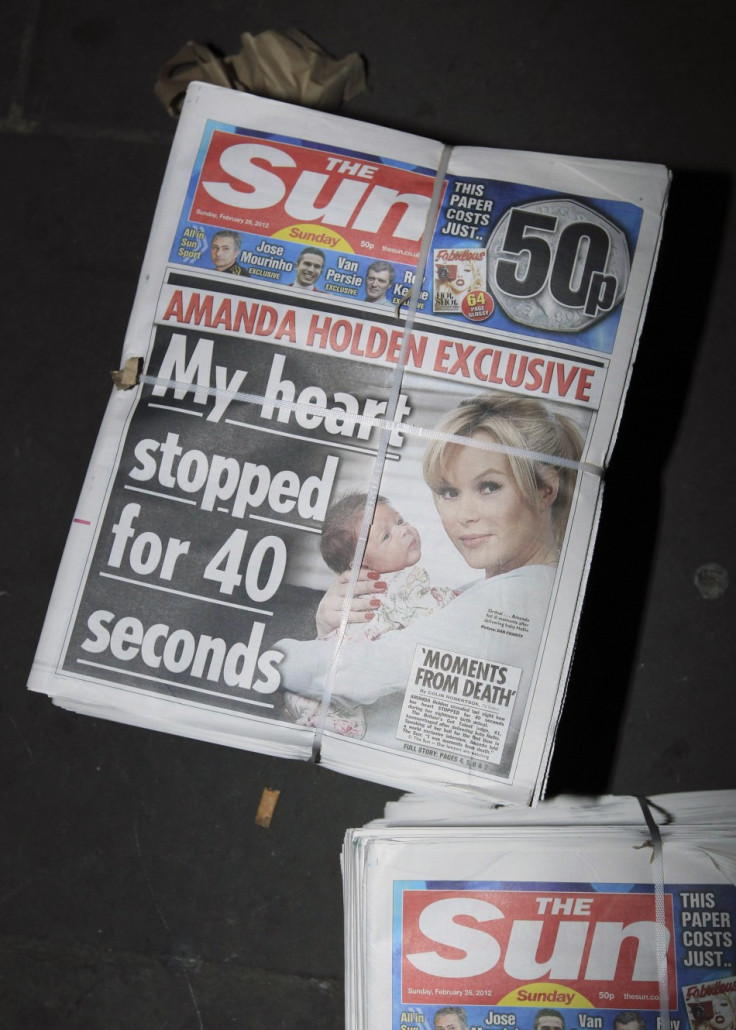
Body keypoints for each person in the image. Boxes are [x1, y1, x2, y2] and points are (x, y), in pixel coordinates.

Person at [275, 393, 583, 756]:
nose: (463, 515)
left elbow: (364, 670)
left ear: (546, 489)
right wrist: (335, 630)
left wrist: (271, 658)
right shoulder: (496, 591)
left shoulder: (519, 598)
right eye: (449, 492)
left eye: (489, 487)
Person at [282, 492, 456, 736]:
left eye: (400, 521)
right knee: (343, 712)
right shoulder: (405, 580)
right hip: (346, 660)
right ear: (361, 565)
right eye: (386, 536)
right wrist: (452, 598)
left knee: (330, 705)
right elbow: (429, 608)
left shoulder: (381, 583)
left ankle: (310, 717)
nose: (404, 531)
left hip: (333, 665)